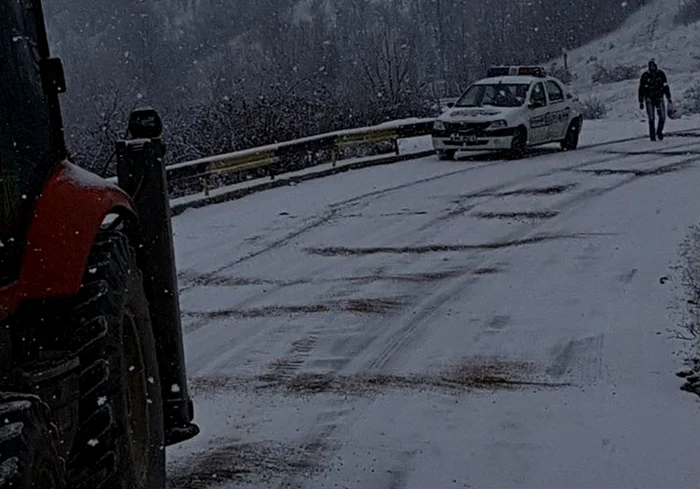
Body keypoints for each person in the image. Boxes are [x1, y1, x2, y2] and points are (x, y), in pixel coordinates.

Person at [638, 59, 672, 141]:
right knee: (651, 118)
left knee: (662, 117)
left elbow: (665, 86)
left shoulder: (661, 74)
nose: (652, 68)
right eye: (650, 66)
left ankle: (659, 131)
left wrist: (668, 97)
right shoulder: (645, 76)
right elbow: (641, 89)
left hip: (659, 98)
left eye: (653, 66)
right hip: (649, 99)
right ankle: (652, 136)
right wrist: (641, 101)